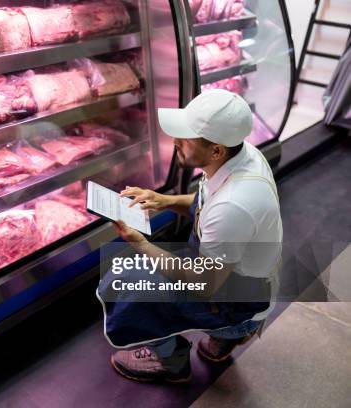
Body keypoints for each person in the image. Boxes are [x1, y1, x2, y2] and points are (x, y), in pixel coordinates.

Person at [103, 89, 282, 383]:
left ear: (215, 151)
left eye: (185, 138)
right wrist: (164, 200)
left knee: (126, 280)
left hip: (233, 298)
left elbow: (204, 283)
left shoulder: (233, 205)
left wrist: (139, 243)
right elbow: (205, 200)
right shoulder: (243, 155)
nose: (175, 143)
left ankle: (170, 360)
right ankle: (225, 338)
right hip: (244, 281)